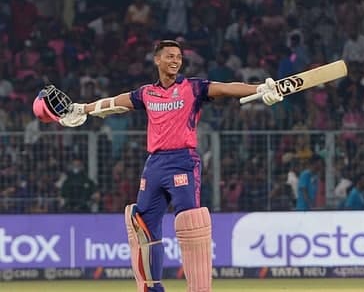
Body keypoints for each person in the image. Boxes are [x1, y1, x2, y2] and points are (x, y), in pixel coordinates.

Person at [32, 40, 283, 292]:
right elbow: (116, 104)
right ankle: (151, 288)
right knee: (141, 225)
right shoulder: (146, 93)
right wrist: (83, 109)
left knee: (191, 222)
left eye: (179, 57)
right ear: (157, 60)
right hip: (154, 164)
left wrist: (259, 89)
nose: (175, 60)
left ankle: (200, 289)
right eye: (170, 56)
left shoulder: (192, 87)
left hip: (183, 161)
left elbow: (226, 88)